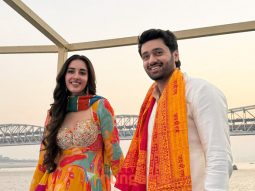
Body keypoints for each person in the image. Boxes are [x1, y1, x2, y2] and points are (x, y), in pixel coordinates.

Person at [115, 29, 233, 191]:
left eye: (158, 53)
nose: (151, 60)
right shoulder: (151, 103)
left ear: (175, 55)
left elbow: (219, 156)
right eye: (146, 56)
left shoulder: (200, 91)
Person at [30, 54, 124, 191]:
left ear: (88, 79)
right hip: (56, 185)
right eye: (71, 71)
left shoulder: (100, 107)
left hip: (90, 185)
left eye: (82, 72)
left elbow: (114, 153)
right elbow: (43, 161)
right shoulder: (54, 113)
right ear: (64, 77)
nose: (76, 76)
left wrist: (131, 186)